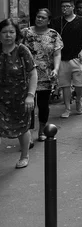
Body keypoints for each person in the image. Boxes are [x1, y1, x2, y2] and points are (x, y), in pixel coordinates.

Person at [0, 19, 38, 168]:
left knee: (22, 128)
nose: (8, 35)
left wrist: (30, 95)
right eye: (4, 32)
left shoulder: (21, 50)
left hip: (20, 97)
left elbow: (33, 73)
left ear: (16, 34)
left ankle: (25, 155)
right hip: (1, 98)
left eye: (11, 32)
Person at [21, 9, 63, 142]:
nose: (39, 19)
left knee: (43, 105)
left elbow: (57, 54)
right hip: (27, 75)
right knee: (29, 105)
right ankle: (29, 134)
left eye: (43, 18)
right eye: (38, 17)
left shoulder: (53, 35)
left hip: (46, 75)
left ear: (48, 21)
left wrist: (56, 69)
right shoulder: (25, 33)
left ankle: (42, 130)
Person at [52, 0, 82, 118]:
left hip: (77, 57)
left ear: (73, 7)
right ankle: (67, 108)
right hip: (62, 58)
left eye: (67, 6)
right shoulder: (57, 21)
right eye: (62, 7)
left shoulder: (81, 21)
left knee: (79, 84)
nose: (64, 9)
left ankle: (78, 100)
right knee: (65, 85)